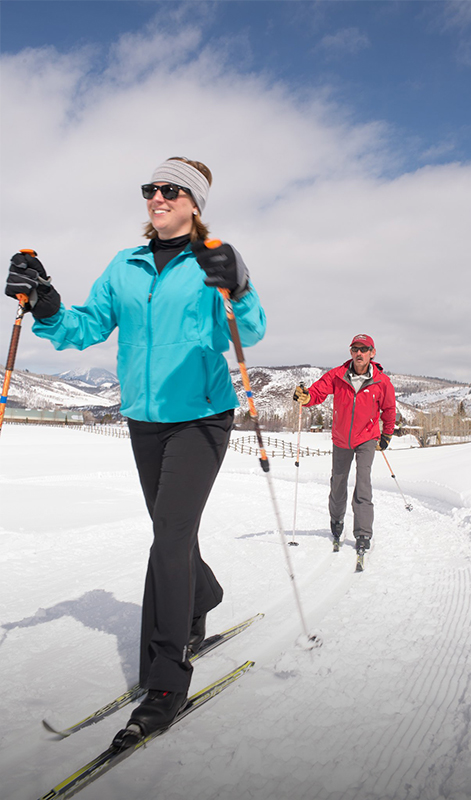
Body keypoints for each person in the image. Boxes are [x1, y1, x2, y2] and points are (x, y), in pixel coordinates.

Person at [5, 156, 266, 747]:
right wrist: (45, 303)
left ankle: (167, 680)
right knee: (171, 530)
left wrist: (241, 286)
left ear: (194, 203)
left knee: (168, 537)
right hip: (143, 419)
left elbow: (248, 332)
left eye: (170, 190)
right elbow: (83, 327)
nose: (157, 197)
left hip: (201, 415)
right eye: (150, 188)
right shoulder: (124, 266)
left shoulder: (214, 262)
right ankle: (203, 594)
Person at [293, 334, 395, 552]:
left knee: (363, 482)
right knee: (338, 484)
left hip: (367, 438)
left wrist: (386, 434)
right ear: (350, 352)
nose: (359, 353)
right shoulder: (338, 375)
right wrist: (306, 396)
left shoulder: (382, 381)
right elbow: (318, 392)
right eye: (355, 349)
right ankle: (336, 521)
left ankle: (363, 532)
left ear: (372, 352)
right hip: (341, 438)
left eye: (364, 349)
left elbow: (389, 409)